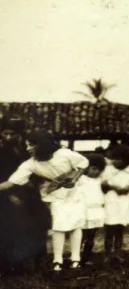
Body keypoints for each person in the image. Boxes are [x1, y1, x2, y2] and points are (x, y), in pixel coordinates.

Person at [0, 131, 89, 271]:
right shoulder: (30, 164)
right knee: (58, 224)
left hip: (76, 191)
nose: (28, 148)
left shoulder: (64, 154)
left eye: (31, 145)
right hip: (53, 192)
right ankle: (57, 260)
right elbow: (13, 182)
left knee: (76, 223)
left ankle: (75, 259)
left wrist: (74, 179)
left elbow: (84, 163)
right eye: (27, 145)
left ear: (42, 145)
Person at [0, 118, 49, 276]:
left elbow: (38, 170)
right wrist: (9, 196)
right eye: (5, 133)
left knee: (36, 227)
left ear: (19, 134)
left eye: (12, 134)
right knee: (9, 231)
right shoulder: (1, 151)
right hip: (7, 196)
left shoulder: (28, 148)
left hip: (31, 195)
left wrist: (33, 185)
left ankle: (37, 264)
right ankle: (9, 266)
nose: (9, 137)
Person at [101, 145, 129, 263]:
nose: (115, 161)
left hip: (124, 201)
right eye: (113, 159)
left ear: (126, 160)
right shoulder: (108, 170)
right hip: (111, 200)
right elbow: (103, 185)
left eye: (118, 159)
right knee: (109, 228)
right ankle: (107, 253)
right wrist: (114, 187)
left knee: (119, 228)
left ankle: (117, 252)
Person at [80, 154, 107, 265]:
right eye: (94, 169)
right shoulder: (82, 179)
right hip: (85, 210)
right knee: (82, 234)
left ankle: (87, 256)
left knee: (91, 235)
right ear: (87, 168)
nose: (96, 172)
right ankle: (77, 255)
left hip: (96, 210)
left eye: (99, 170)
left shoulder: (100, 181)